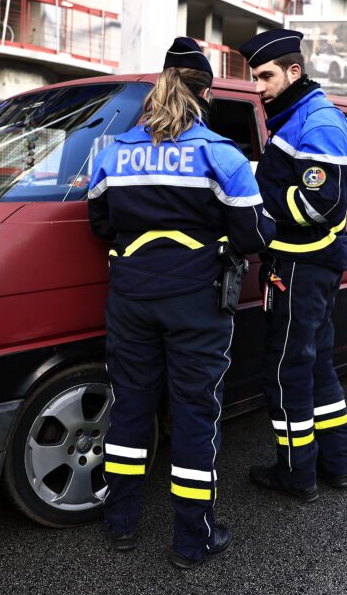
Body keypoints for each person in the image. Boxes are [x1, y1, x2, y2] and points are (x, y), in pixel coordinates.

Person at [87, 37, 274, 569]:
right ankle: (194, 539)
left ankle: (120, 525)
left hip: (129, 298)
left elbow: (99, 223)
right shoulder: (220, 154)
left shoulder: (114, 152)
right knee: (195, 413)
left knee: (130, 409)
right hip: (196, 301)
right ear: (206, 93)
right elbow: (254, 232)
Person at [238, 29, 347, 502]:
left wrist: (258, 199)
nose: (258, 87)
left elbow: (320, 203)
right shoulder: (299, 116)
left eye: (265, 76)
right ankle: (336, 464)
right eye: (255, 78)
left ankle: (296, 474)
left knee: (287, 370)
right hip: (309, 261)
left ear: (293, 71)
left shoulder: (317, 120)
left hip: (301, 263)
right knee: (316, 363)